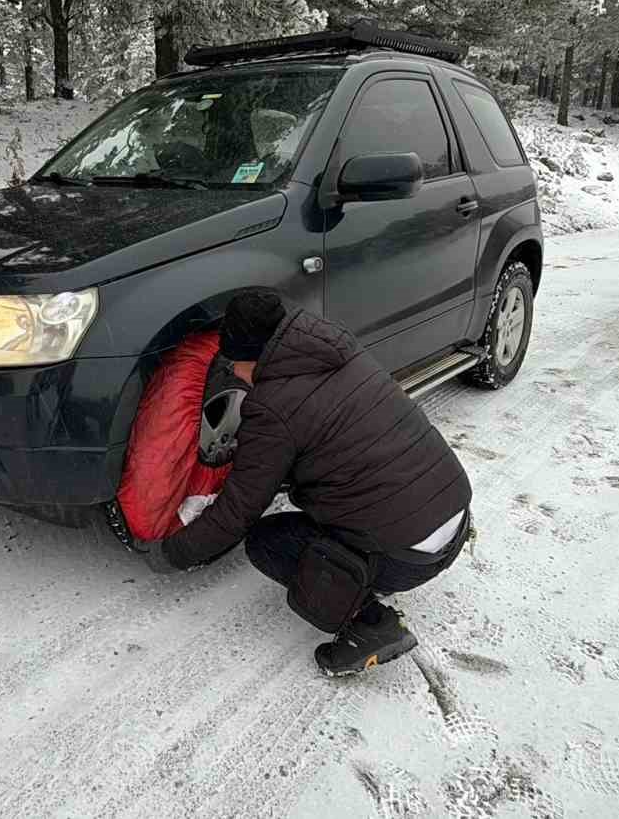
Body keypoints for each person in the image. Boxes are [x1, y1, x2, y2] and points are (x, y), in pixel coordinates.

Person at [141, 289, 474, 677]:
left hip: (408, 556)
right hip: (452, 519)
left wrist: (173, 553)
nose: (233, 373)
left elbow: (237, 513)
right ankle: (370, 570)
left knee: (269, 542)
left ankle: (368, 624)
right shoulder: (335, 348)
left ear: (253, 357)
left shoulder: (272, 408)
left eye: (235, 363)